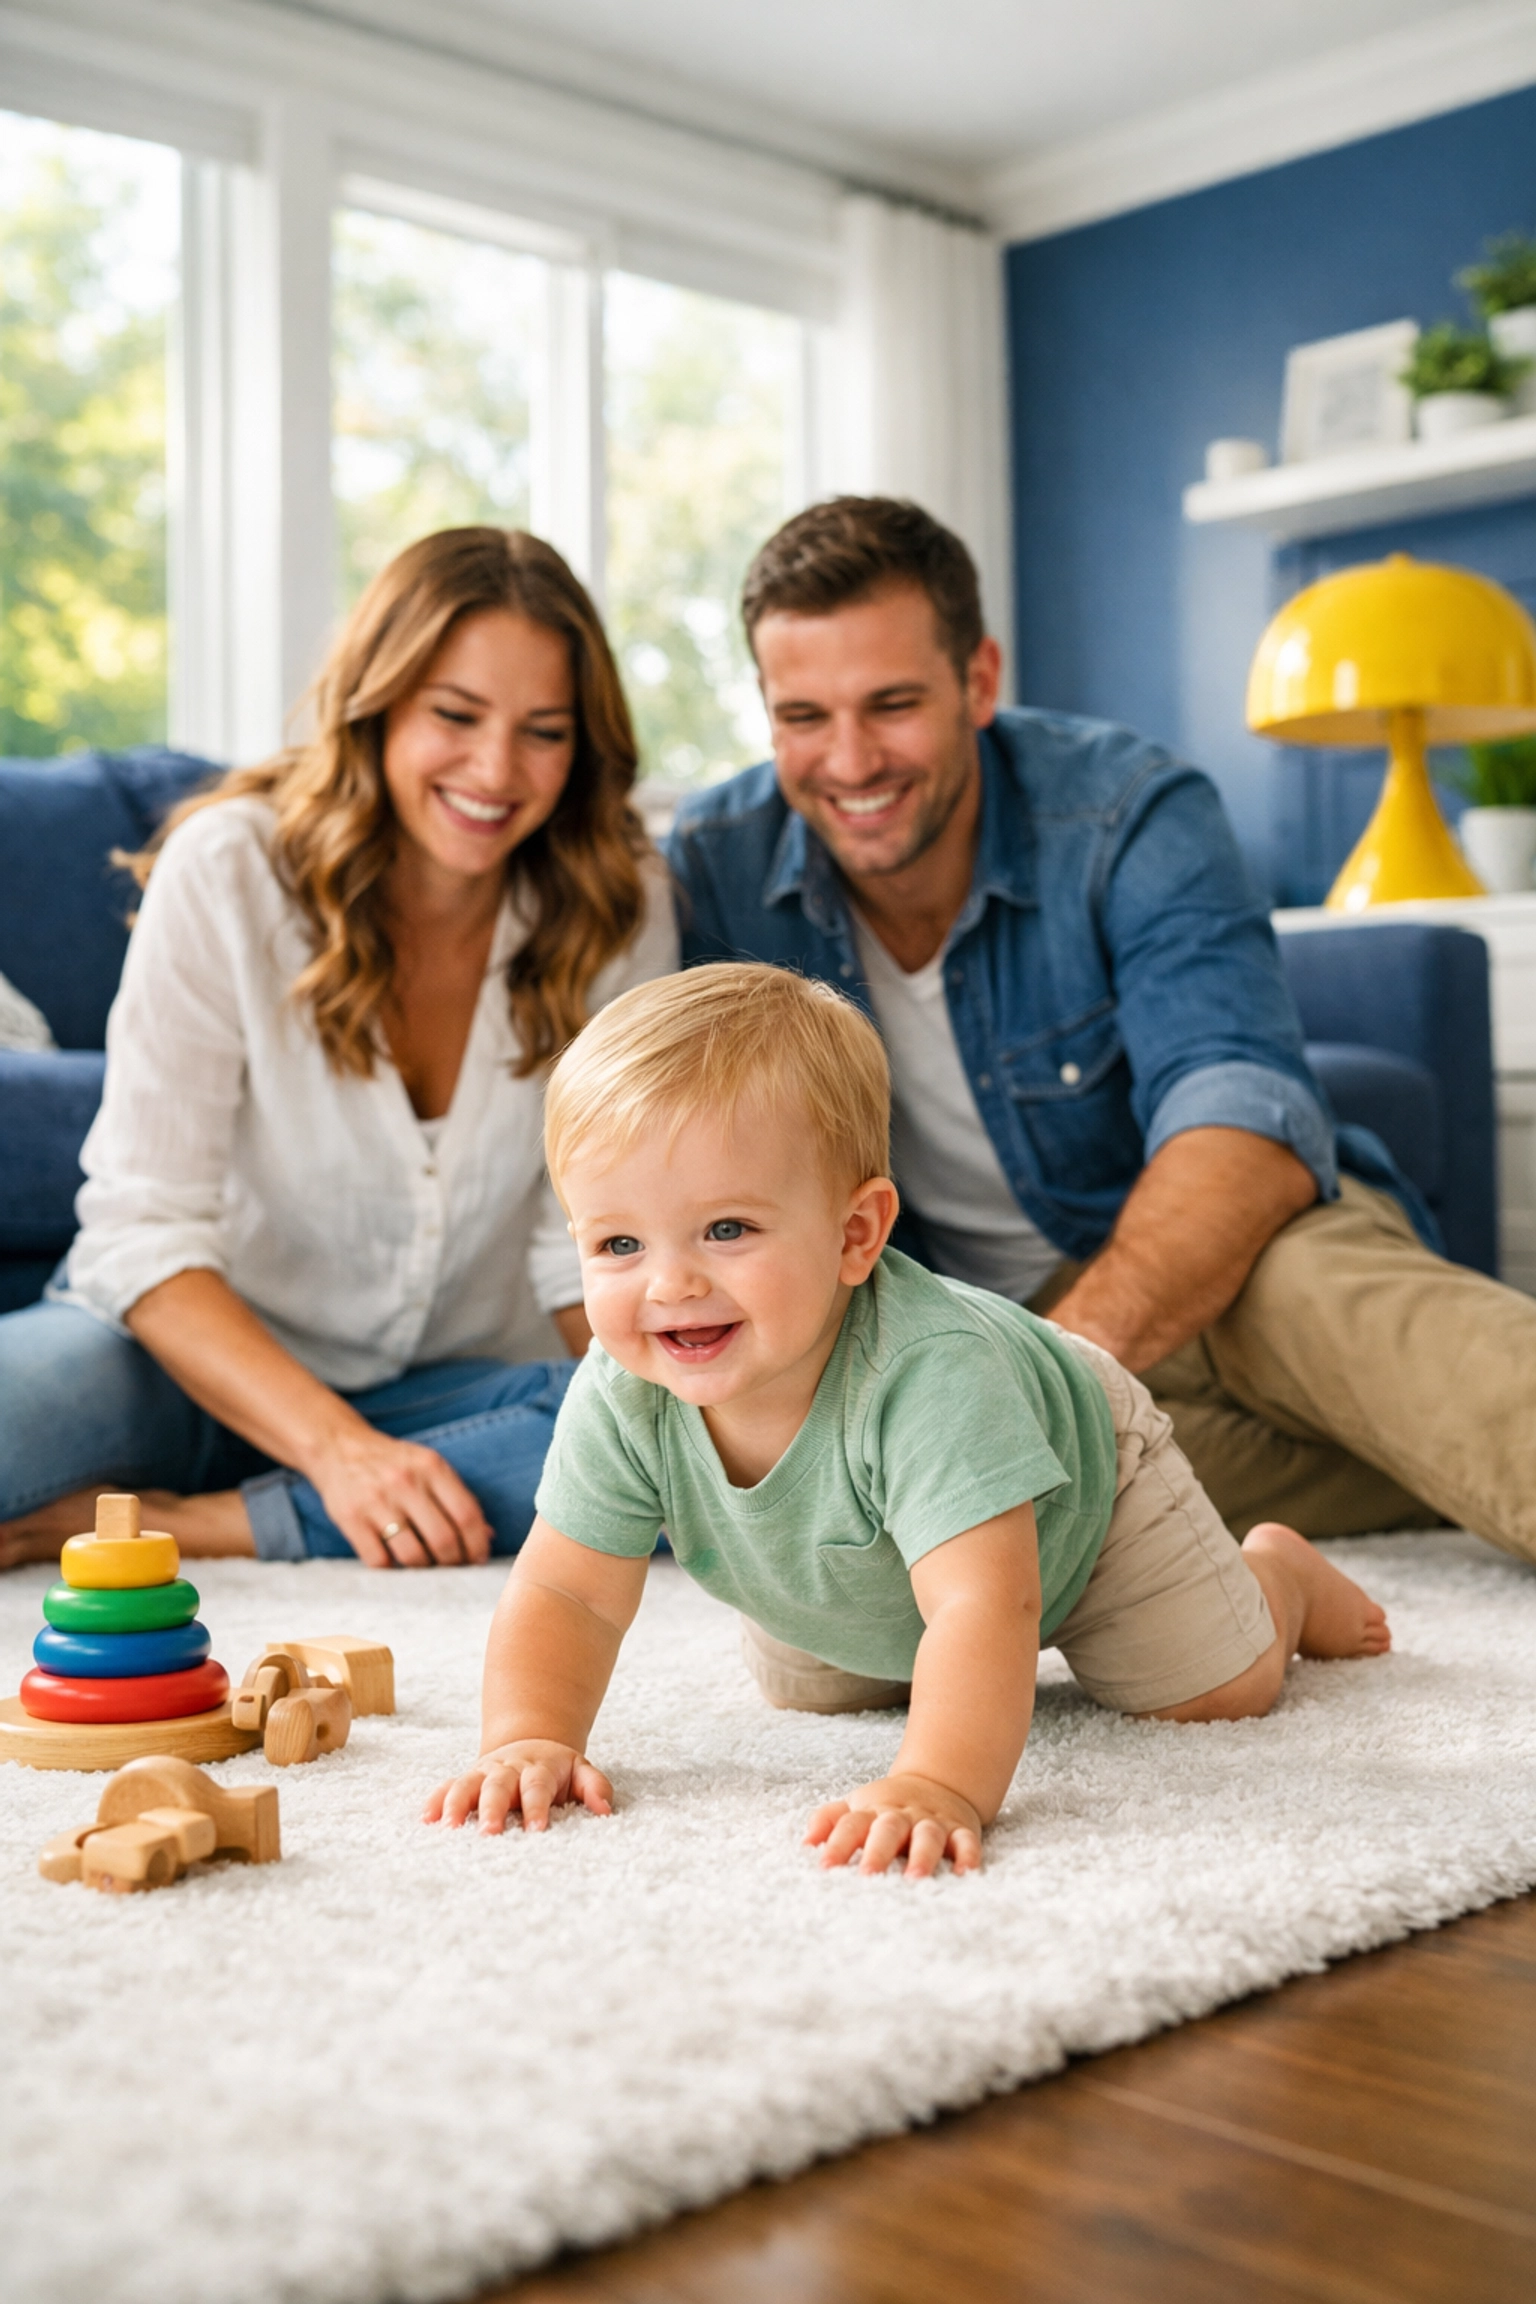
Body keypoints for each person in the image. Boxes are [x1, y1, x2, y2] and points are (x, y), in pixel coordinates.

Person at [665, 495, 1536, 1568]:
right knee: (987, 1500)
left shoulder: (1129, 811)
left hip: (1219, 1244)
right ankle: (1414, 1448)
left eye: (891, 704)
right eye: (803, 717)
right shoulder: (716, 862)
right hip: (953, 1328)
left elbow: (1241, 1121)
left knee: (1323, 1298)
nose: (849, 762)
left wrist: (1051, 1375)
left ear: (978, 681)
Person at [425, 966, 1389, 1873]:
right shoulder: (624, 1384)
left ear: (856, 1235)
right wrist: (528, 1735)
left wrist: (937, 1783)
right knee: (814, 1692)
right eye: (619, 1243)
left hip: (1086, 1497)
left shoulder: (927, 1372)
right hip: (862, 1562)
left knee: (1213, 1694)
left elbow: (986, 1605)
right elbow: (569, 1593)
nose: (670, 1283)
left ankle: (1277, 1581)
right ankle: (890, 1641)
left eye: (727, 1230)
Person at [0, 527, 676, 1571]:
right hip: (176, 1364)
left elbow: (580, 1249)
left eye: (544, 732)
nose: (496, 771)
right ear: (377, 703)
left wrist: (671, 1414)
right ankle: (327, 1482)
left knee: (678, 1433)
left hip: (458, 1384)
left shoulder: (614, 902)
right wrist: (339, 1451)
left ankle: (216, 1520)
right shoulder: (228, 868)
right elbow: (142, 1233)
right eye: (454, 715)